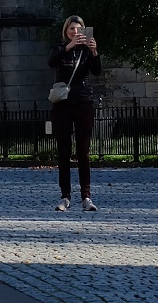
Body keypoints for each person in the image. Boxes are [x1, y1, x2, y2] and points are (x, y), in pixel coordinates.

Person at [48, 15, 101, 212]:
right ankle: (65, 196)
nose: (75, 32)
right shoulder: (60, 48)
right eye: (72, 29)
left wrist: (94, 52)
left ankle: (86, 196)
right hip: (63, 103)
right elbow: (51, 62)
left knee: (83, 151)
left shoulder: (86, 50)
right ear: (66, 31)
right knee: (64, 150)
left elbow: (96, 71)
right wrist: (68, 47)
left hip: (83, 101)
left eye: (79, 29)